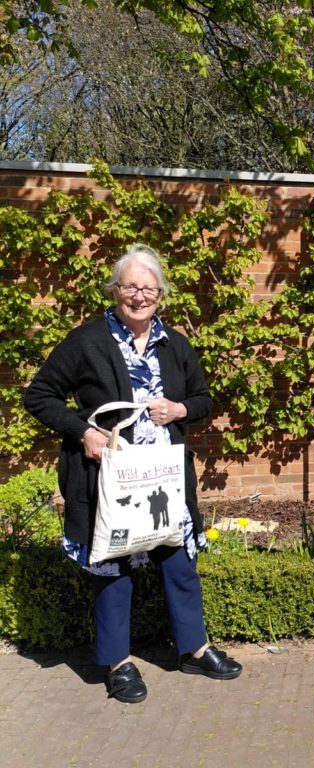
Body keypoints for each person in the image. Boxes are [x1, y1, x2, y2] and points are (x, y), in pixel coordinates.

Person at [24, 244, 241, 703]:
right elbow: (40, 395)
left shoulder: (175, 344)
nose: (139, 296)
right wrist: (83, 431)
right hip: (109, 481)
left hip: (163, 478)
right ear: (115, 290)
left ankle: (195, 649)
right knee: (113, 569)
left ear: (160, 293)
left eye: (148, 288)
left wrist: (181, 408)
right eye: (130, 286)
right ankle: (117, 663)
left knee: (179, 564)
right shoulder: (87, 341)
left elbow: (204, 400)